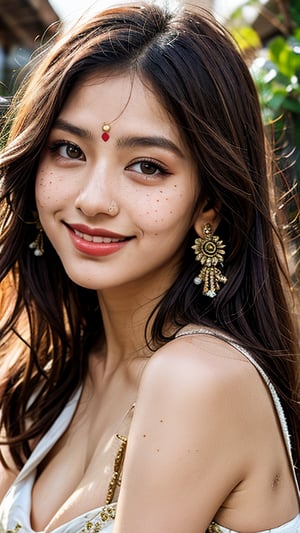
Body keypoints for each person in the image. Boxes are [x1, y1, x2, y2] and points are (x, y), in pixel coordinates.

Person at [0, 2, 299, 532]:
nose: (94, 200)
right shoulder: (45, 380)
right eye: (69, 149)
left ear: (209, 206)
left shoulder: (198, 380)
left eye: (147, 166)